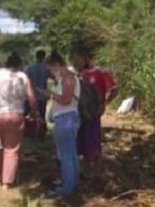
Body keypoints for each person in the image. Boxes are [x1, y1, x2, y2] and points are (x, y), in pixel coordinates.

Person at [0, 52, 37, 189]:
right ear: (20, 64)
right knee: (11, 149)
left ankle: (0, 174)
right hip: (16, 114)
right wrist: (34, 112)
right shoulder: (23, 76)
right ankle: (6, 182)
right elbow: (31, 97)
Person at [74, 48, 118, 180]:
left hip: (93, 114)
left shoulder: (101, 73)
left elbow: (115, 90)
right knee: (83, 142)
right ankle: (87, 172)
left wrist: (103, 103)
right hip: (80, 113)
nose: (77, 62)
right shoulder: (79, 75)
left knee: (94, 142)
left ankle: (97, 173)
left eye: (78, 59)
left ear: (86, 58)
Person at [44, 52, 80, 198]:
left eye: (51, 69)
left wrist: (51, 94)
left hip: (66, 119)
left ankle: (67, 187)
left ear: (57, 65)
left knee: (65, 155)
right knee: (70, 153)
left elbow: (66, 100)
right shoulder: (65, 78)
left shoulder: (68, 78)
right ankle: (72, 183)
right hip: (66, 118)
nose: (51, 72)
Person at [25, 49, 50, 122]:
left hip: (32, 96)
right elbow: (54, 77)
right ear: (44, 57)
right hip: (42, 96)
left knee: (32, 117)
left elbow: (25, 80)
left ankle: (32, 132)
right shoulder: (46, 68)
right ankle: (41, 132)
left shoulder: (29, 67)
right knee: (42, 117)